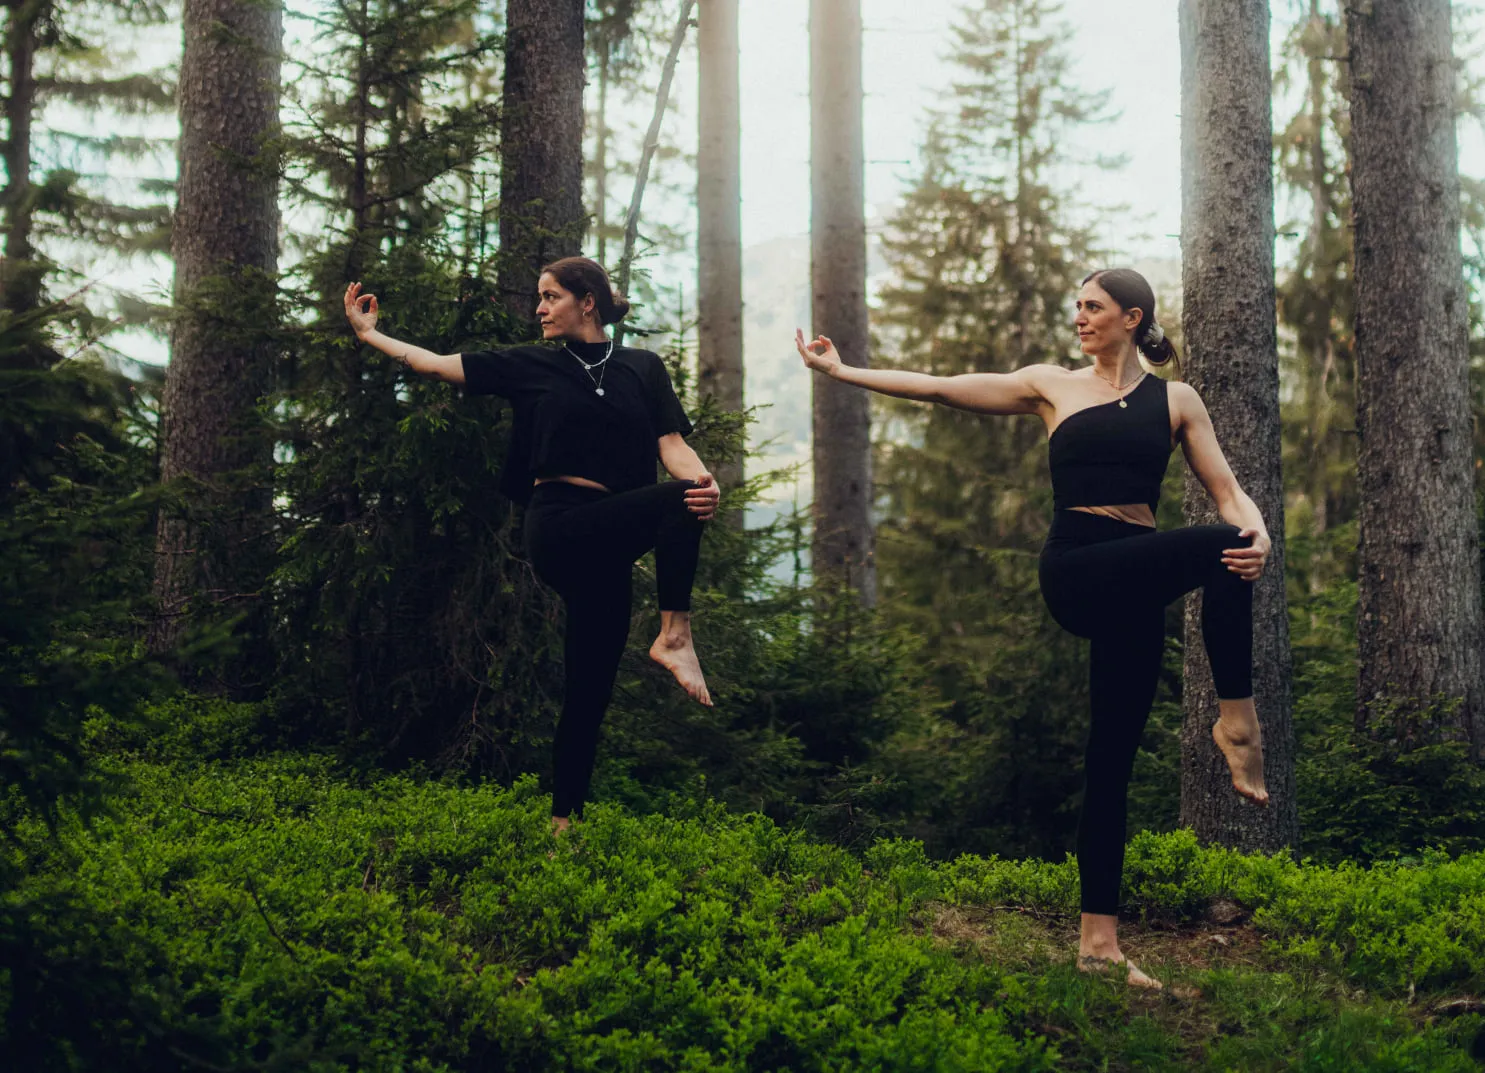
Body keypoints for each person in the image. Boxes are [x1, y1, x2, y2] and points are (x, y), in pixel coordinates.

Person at [796, 267, 1270, 990]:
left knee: (1108, 760)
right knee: (1216, 546)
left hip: (1133, 586)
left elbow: (1228, 489)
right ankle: (1236, 721)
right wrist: (842, 370)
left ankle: (1097, 944)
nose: (1079, 317)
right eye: (1076, 306)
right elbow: (939, 385)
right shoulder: (1051, 384)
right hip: (1077, 568)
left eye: (1092, 307)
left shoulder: (1176, 400)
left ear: (1132, 318)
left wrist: (1260, 532)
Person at [345, 256, 720, 833]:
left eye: (550, 297)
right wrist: (372, 335)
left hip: (608, 545)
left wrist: (703, 479)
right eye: (539, 298)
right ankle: (674, 636)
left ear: (586, 302)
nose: (539, 309)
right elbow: (437, 367)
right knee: (678, 500)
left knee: (588, 692)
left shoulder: (642, 369)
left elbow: (671, 445)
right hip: (561, 525)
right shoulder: (531, 366)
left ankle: (561, 830)